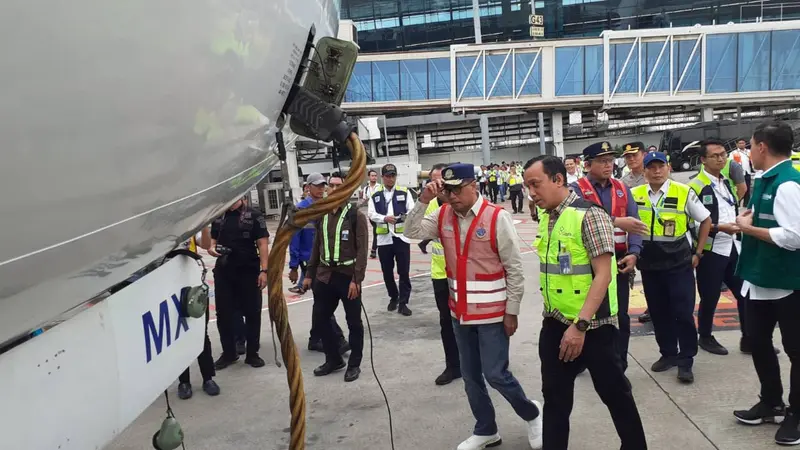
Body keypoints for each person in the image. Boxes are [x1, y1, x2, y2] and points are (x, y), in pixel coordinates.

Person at [404, 163, 543, 450]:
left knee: (496, 374)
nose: (453, 196)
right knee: (470, 376)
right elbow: (412, 231)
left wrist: (512, 311)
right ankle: (486, 428)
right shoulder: (442, 214)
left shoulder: (496, 217)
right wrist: (424, 199)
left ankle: (532, 412)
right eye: (448, 190)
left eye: (457, 189)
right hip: (460, 312)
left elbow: (514, 269)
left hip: (493, 313)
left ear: (473, 186)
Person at [525, 155, 647, 450]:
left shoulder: (590, 215)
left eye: (535, 184)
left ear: (557, 180)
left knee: (616, 395)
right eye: (527, 186)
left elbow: (604, 276)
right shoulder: (547, 215)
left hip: (594, 328)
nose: (531, 193)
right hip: (555, 324)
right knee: (555, 399)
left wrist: (579, 327)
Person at [733, 119, 800, 446]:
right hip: (759, 279)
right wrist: (742, 222)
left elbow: (794, 236)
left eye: (750, 144)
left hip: (787, 283)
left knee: (796, 350)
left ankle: (796, 415)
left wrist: (748, 230)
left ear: (761, 147)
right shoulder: (764, 179)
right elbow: (761, 222)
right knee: (757, 342)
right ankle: (771, 401)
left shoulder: (787, 183)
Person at [631, 152, 711, 383]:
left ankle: (686, 360)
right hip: (649, 265)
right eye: (651, 167)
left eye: (660, 166)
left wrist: (698, 251)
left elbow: (705, 220)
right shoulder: (635, 195)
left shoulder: (683, 191)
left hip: (678, 263)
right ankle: (668, 354)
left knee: (683, 313)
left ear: (668, 168)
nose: (656, 171)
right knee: (658, 313)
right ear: (644, 171)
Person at [570, 142, 648, 372]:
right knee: (587, 312)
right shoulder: (575, 190)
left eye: (610, 160)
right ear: (587, 164)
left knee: (620, 316)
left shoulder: (622, 188)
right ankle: (585, 359)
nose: (608, 165)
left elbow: (635, 223)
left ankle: (619, 362)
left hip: (620, 260)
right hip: (588, 263)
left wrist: (634, 252)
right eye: (602, 161)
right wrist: (614, 221)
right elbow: (575, 219)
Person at [304, 173, 368, 383]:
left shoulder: (354, 215)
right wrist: (309, 275)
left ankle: (354, 364)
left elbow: (362, 250)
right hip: (325, 276)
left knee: (354, 324)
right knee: (321, 319)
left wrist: (356, 280)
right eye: (330, 186)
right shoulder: (322, 214)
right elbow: (316, 246)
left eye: (338, 186)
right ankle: (334, 359)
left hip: (347, 277)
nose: (332, 189)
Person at [690, 139, 750, 356]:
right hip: (710, 249)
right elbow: (693, 224)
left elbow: (729, 207)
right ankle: (705, 336)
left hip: (732, 246)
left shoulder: (726, 182)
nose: (721, 158)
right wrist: (719, 228)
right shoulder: (695, 186)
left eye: (723, 154)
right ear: (703, 160)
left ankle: (749, 338)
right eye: (715, 155)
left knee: (744, 293)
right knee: (710, 295)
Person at [209, 196, 270, 369]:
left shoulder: (254, 215)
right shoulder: (219, 216)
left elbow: (263, 244)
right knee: (224, 315)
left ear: (242, 196)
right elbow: (212, 242)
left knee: (252, 313)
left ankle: (252, 354)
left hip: (249, 272)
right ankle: (229, 353)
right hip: (224, 272)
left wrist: (264, 271)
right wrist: (213, 250)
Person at [290, 173, 348, 353]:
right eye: (317, 186)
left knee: (321, 301)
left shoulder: (324, 206)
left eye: (323, 185)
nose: (321, 189)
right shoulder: (301, 209)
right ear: (308, 187)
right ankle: (337, 340)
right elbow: (294, 238)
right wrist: (293, 266)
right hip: (309, 262)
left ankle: (315, 339)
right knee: (323, 301)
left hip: (324, 260)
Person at [422, 163, 461, 386]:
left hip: (466, 274)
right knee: (447, 322)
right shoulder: (430, 206)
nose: (438, 185)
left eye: (442, 181)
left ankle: (483, 362)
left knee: (474, 321)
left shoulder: (463, 203)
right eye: (434, 181)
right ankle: (453, 366)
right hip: (441, 275)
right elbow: (415, 229)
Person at [177, 228, 220, 399]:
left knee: (201, 333)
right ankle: (184, 381)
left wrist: (203, 224)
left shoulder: (191, 226)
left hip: (194, 288)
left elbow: (206, 244)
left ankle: (208, 378)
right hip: (172, 288)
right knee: (179, 337)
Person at [369, 163, 414, 316]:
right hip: (384, 240)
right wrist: (384, 218)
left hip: (401, 238)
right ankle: (393, 297)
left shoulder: (404, 192)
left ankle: (403, 303)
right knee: (387, 272)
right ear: (383, 177)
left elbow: (412, 211)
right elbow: (371, 214)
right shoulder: (375, 195)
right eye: (387, 176)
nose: (390, 179)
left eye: (393, 175)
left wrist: (402, 218)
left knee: (404, 272)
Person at [620, 142, 650, 323]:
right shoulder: (624, 182)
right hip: (634, 235)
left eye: (634, 155)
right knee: (641, 274)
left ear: (644, 155)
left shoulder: (655, 174)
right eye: (627, 156)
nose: (631, 159)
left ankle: (658, 307)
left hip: (656, 234)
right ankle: (652, 307)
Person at [360, 169, 382, 259]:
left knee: (377, 231)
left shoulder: (380, 187)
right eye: (372, 175)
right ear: (369, 177)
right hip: (371, 214)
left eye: (375, 175)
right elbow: (364, 200)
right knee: (377, 231)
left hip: (379, 213)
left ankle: (374, 250)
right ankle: (376, 249)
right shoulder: (365, 189)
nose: (374, 177)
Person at [731, 138, 753, 205]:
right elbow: (731, 163)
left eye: (743, 143)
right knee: (739, 188)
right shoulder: (733, 153)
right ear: (737, 144)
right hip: (738, 173)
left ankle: (746, 204)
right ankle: (737, 202)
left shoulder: (749, 152)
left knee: (748, 189)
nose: (741, 144)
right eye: (740, 143)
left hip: (747, 172)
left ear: (745, 144)